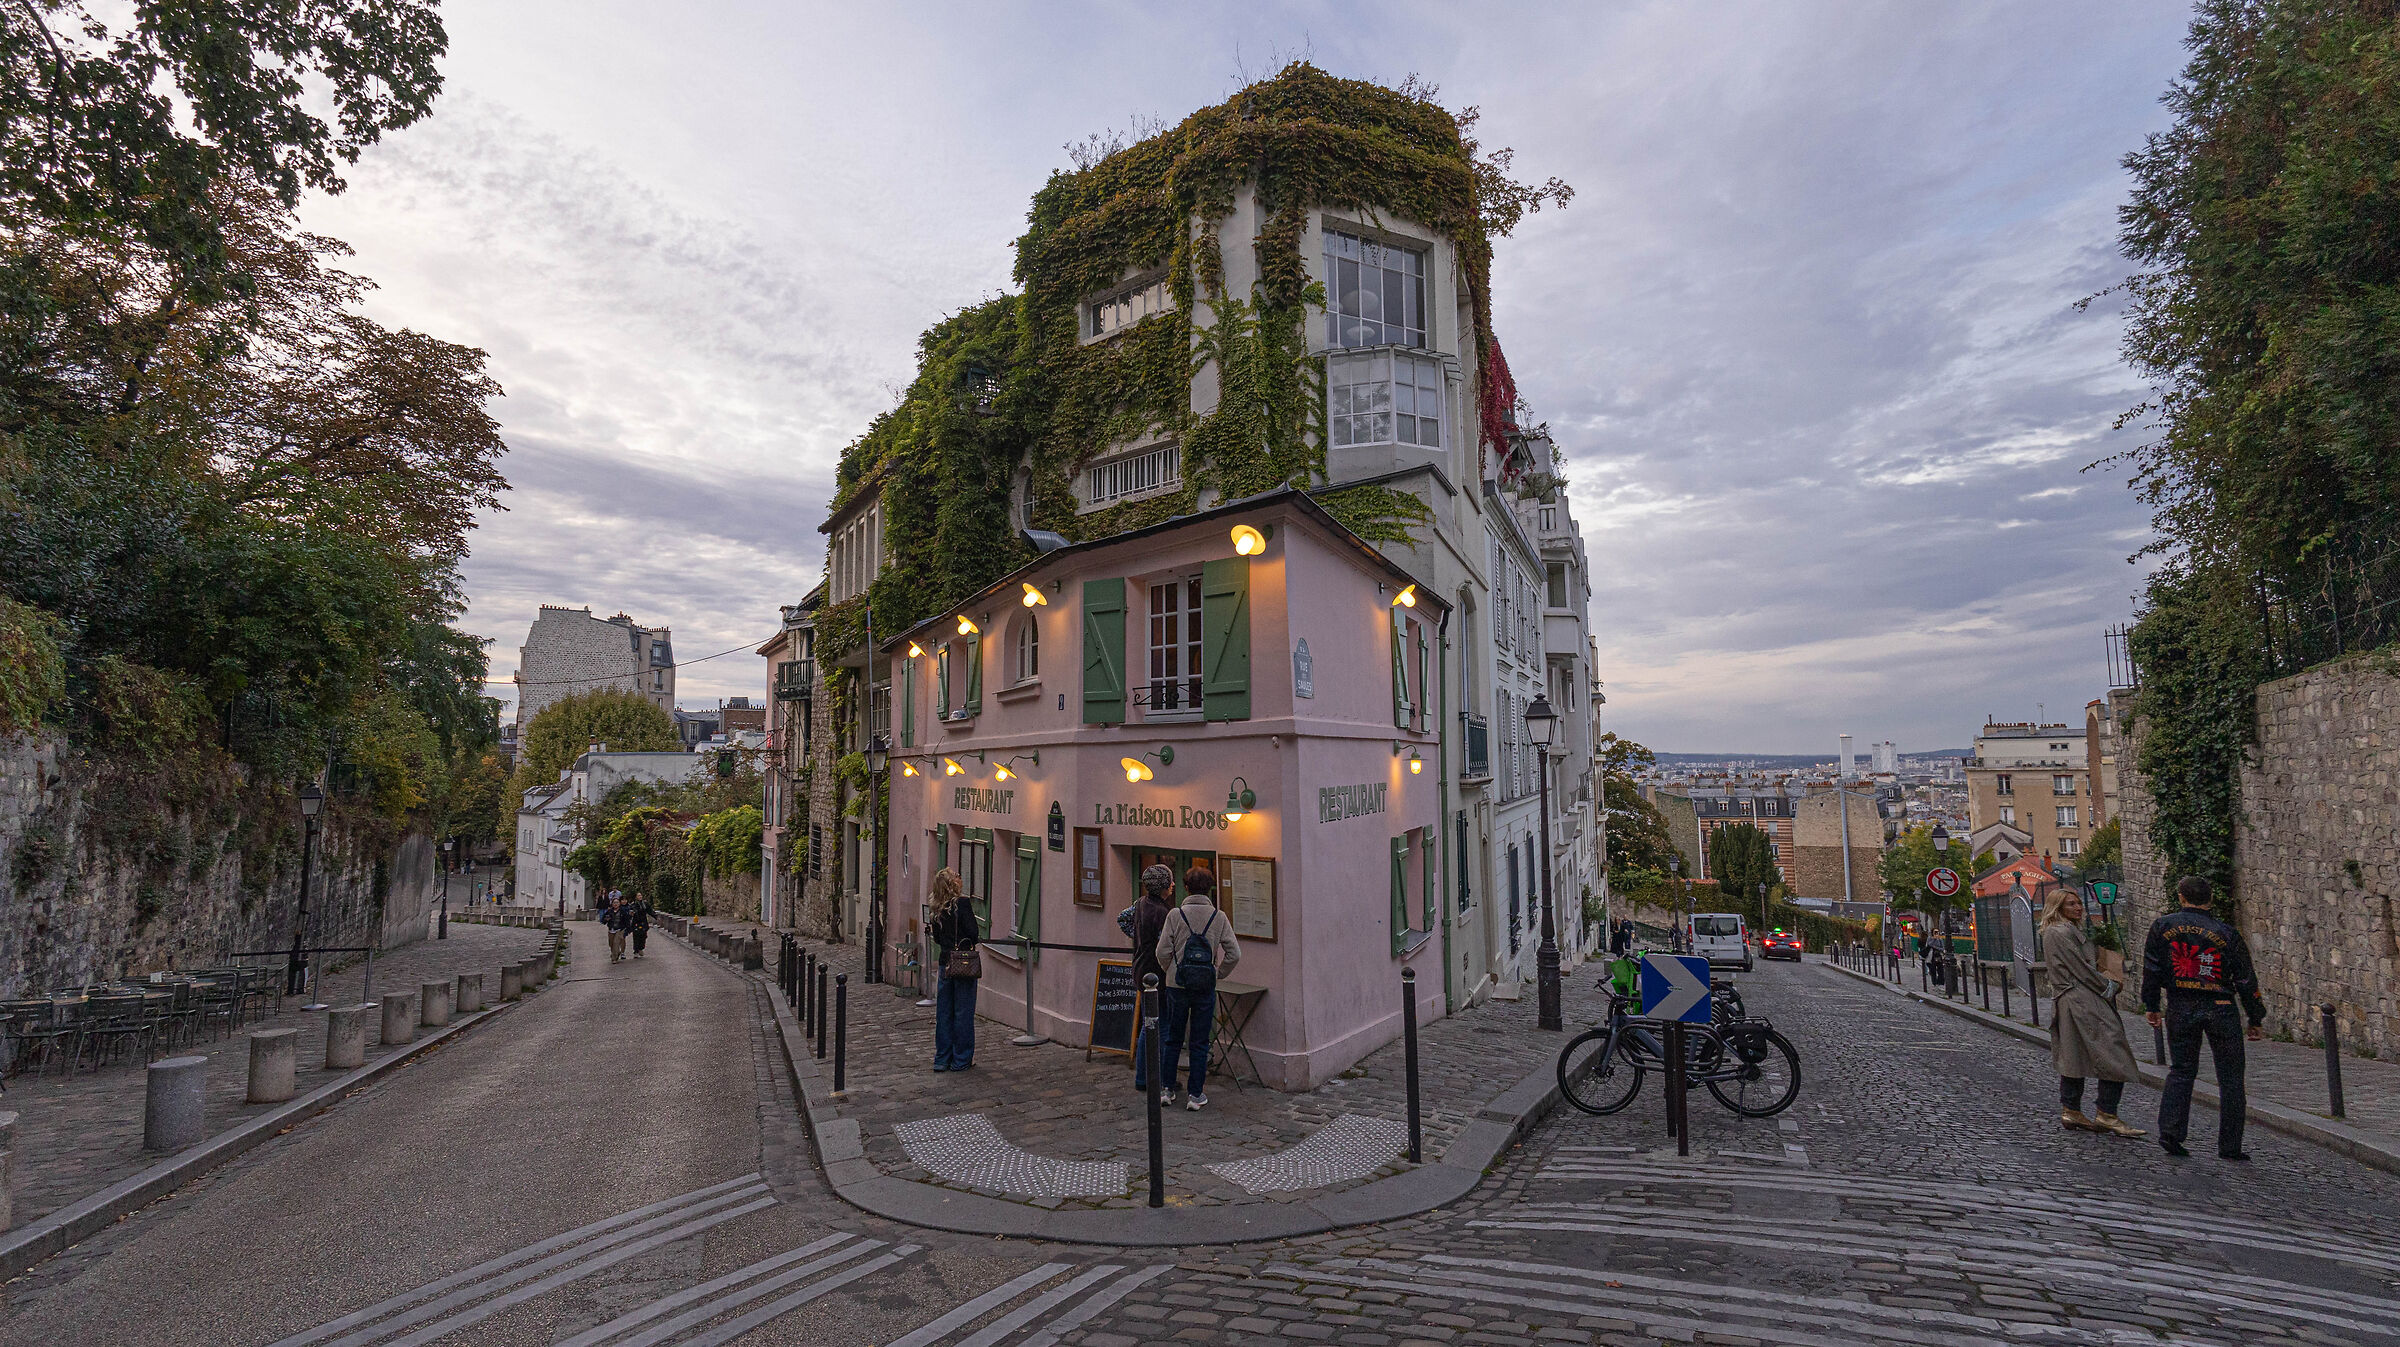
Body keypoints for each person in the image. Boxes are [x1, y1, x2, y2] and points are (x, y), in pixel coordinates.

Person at [2142, 874, 2268, 1160]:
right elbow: (2246, 978)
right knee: (2232, 1078)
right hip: (2221, 1005)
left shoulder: (2162, 927)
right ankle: (2230, 1145)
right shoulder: (2226, 932)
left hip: (2181, 1004)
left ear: (2181, 897)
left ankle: (2171, 1133)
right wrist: (2255, 1017)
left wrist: (2151, 1004)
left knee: (2182, 1070)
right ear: (2210, 899)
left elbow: (2152, 969)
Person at [2041, 887, 2144, 1138]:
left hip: (2078, 998)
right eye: (2070, 904)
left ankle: (2072, 1110)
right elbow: (2080, 969)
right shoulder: (2058, 932)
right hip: (2081, 998)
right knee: (2113, 1051)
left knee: (2075, 1054)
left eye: (2078, 903)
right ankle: (2106, 1113)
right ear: (2058, 908)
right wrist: (2107, 986)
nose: (2078, 908)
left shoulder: (2069, 931)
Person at [1152, 865, 1240, 1110]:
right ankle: (1195, 1094)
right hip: (1204, 986)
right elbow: (1234, 953)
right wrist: (1216, 973)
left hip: (1176, 985)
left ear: (1186, 887)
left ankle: (1167, 1089)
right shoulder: (1218, 917)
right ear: (1209, 889)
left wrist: (1170, 969)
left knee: (1173, 1038)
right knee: (1200, 1041)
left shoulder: (1175, 915)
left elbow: (1162, 951)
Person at [1124, 864, 1177, 1093]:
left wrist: (1138, 940)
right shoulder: (1162, 913)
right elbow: (1165, 946)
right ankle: (1162, 1079)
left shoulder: (1140, 905)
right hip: (1157, 975)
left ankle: (1143, 1077)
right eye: (1170, 881)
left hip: (1141, 969)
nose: (1173, 885)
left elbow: (1122, 920)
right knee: (1162, 1026)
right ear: (1163, 886)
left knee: (1148, 1025)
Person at [927, 867, 980, 1072]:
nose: (960, 878)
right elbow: (973, 933)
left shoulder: (935, 907)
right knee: (963, 1012)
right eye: (957, 876)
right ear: (952, 884)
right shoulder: (962, 904)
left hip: (945, 962)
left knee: (944, 1012)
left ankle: (942, 1058)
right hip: (963, 962)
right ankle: (961, 1059)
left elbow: (938, 939)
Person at [604, 895, 628, 963]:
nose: (615, 904)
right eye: (614, 902)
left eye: (617, 902)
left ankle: (614, 958)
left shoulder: (622, 911)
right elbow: (603, 920)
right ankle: (616, 953)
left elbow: (626, 921)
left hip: (619, 929)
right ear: (612, 904)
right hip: (611, 929)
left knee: (616, 943)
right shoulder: (609, 911)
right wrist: (606, 919)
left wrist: (627, 929)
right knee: (611, 944)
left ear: (619, 903)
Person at [627, 892, 652, 958]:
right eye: (638, 895)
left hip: (643, 922)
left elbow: (650, 911)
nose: (640, 896)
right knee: (636, 936)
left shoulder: (645, 904)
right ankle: (636, 950)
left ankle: (641, 948)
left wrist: (655, 916)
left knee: (644, 935)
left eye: (640, 895)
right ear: (636, 897)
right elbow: (630, 912)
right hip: (636, 922)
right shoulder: (633, 904)